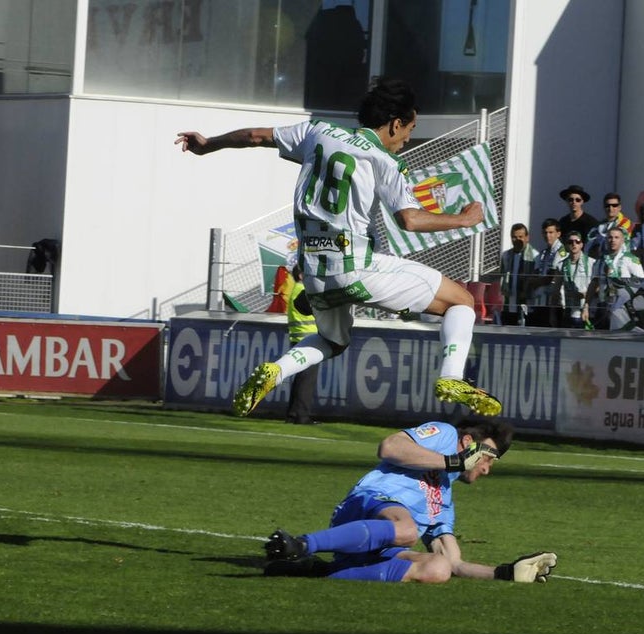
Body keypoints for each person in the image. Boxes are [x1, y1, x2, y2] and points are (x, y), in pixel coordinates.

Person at [176, 77, 500, 417]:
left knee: (333, 341)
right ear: (395, 123)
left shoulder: (317, 131)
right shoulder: (384, 161)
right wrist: (462, 220)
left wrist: (209, 144)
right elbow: (410, 220)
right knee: (461, 301)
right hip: (356, 262)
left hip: (314, 270)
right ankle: (451, 378)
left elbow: (255, 136)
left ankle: (277, 370)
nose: (408, 139)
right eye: (410, 128)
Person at [262, 417, 558, 584]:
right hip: (366, 507)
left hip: (378, 547)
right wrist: (453, 461)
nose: (486, 468)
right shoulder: (444, 435)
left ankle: (318, 569)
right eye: (488, 457)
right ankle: (300, 545)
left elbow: (455, 563)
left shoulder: (443, 500)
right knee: (407, 530)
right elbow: (389, 447)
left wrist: (505, 572)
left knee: (437, 569)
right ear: (468, 444)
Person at [585, 228, 644, 330]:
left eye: (617, 237)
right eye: (610, 237)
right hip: (603, 306)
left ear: (622, 240)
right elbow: (594, 283)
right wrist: (586, 306)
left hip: (623, 307)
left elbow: (641, 282)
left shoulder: (630, 259)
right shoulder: (600, 260)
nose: (613, 240)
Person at [284, 263, 319, 424]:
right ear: (301, 276)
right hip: (309, 343)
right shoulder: (303, 292)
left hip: (299, 341)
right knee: (307, 381)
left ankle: (293, 414)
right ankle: (302, 416)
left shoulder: (295, 290)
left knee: (300, 380)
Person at [526, 218, 565, 327]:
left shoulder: (562, 251)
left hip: (554, 303)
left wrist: (533, 282)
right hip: (540, 301)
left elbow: (552, 277)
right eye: (545, 233)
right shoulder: (543, 252)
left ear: (558, 233)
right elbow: (536, 272)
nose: (548, 235)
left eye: (551, 232)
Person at [499, 223, 535, 327]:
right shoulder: (506, 255)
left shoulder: (535, 256)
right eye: (514, 237)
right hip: (509, 304)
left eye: (520, 237)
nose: (517, 240)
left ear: (527, 238)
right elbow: (501, 276)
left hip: (527, 305)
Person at [558, 230, 591, 328]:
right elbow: (556, 290)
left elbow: (598, 286)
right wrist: (552, 314)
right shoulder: (561, 264)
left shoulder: (591, 263)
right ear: (566, 245)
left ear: (582, 244)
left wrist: (584, 294)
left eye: (577, 241)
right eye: (570, 242)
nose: (574, 244)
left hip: (587, 311)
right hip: (568, 312)